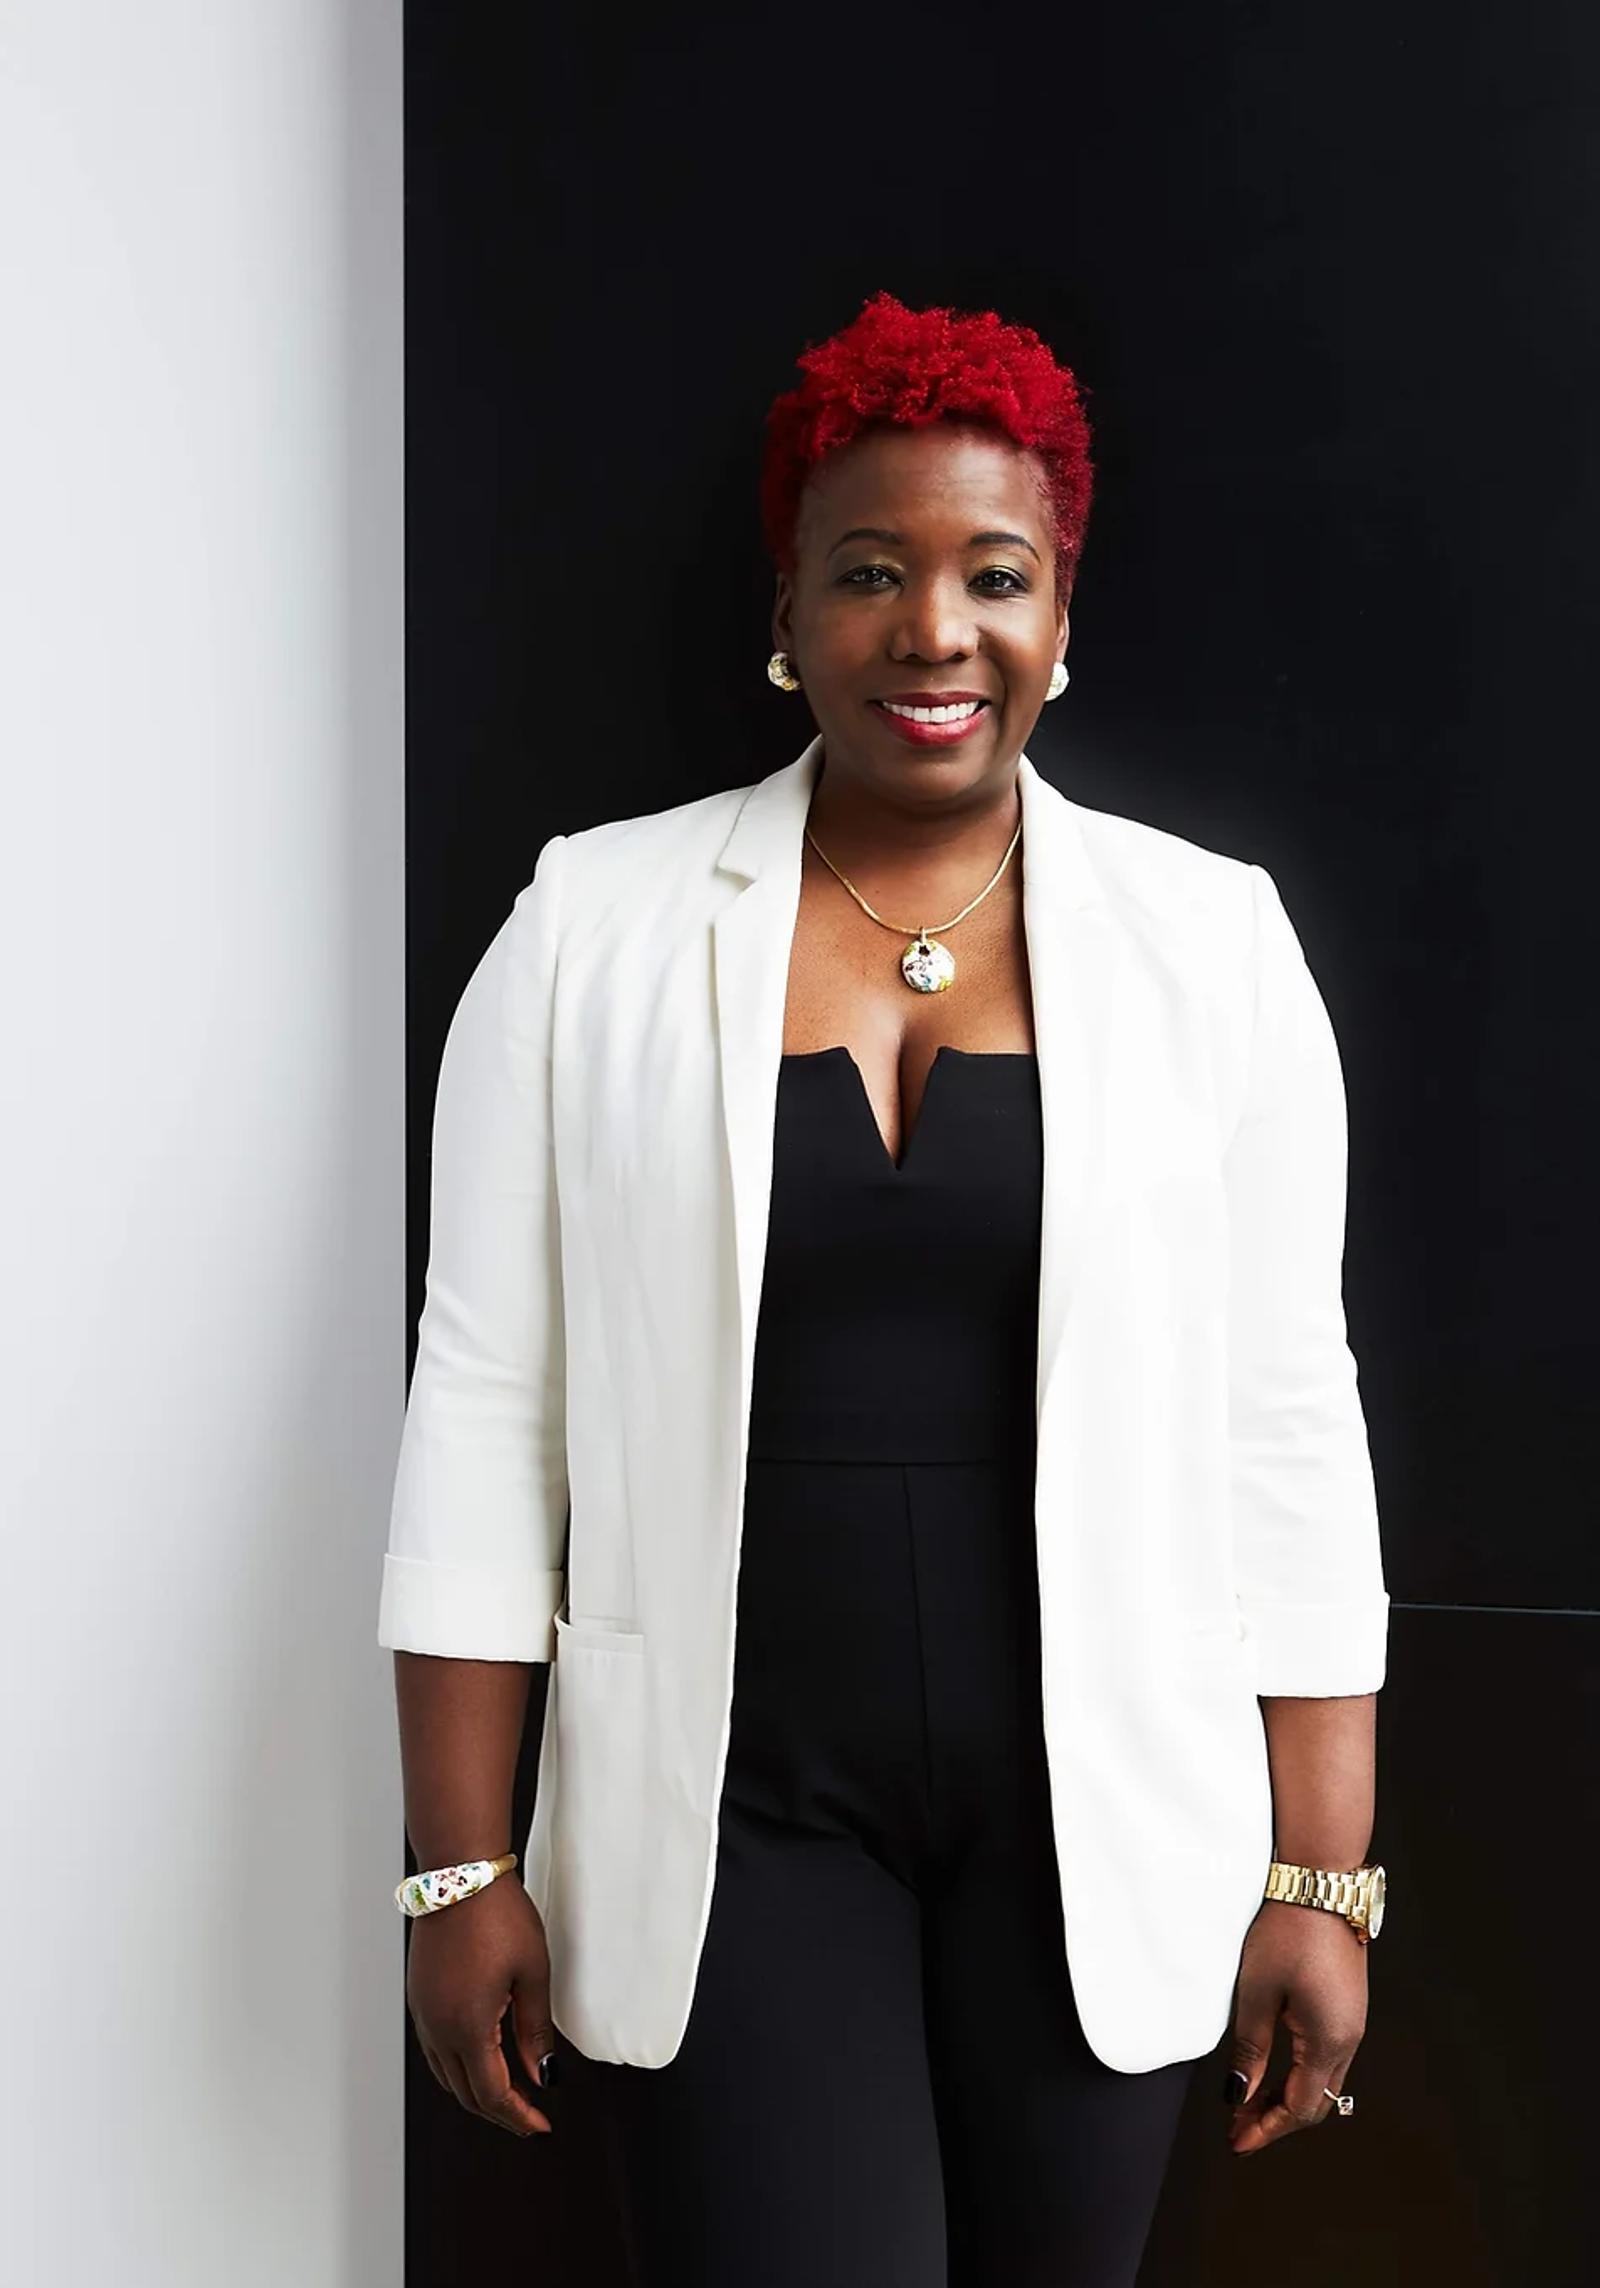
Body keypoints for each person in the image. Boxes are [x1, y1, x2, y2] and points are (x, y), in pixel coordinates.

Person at [378, 291, 1390, 2286]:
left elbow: (1285, 1414)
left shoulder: (1215, 945)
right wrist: (456, 1861)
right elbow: (486, 1407)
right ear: (787, 609)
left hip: (1105, 1820)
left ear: (1060, 610)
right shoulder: (591, 928)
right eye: (868, 573)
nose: (935, 629)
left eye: (993, 575)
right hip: (728, 1815)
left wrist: (1324, 1874)